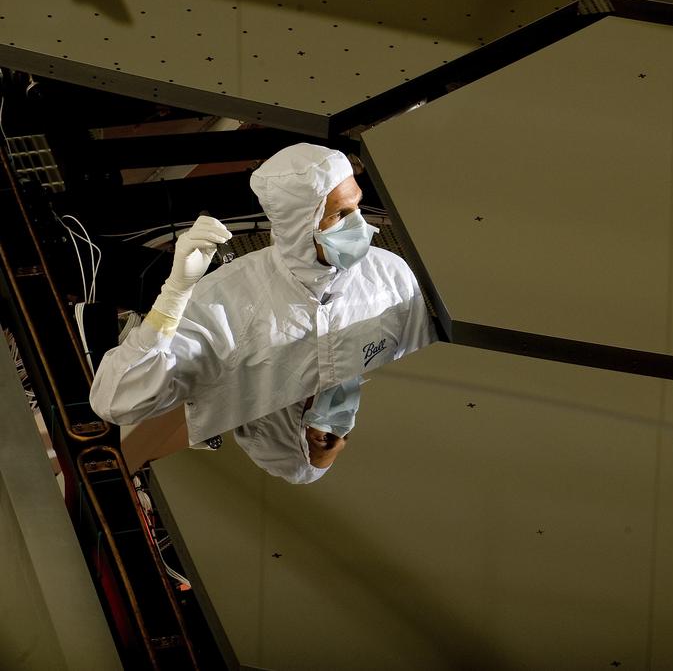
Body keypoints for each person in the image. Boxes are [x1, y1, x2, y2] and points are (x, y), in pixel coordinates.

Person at [90, 143, 433, 481]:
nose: (360, 226)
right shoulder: (225, 303)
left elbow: (425, 374)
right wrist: (175, 293)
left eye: (357, 206)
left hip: (379, 464)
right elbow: (117, 402)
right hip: (261, 478)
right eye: (340, 215)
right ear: (301, 225)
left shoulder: (391, 277)